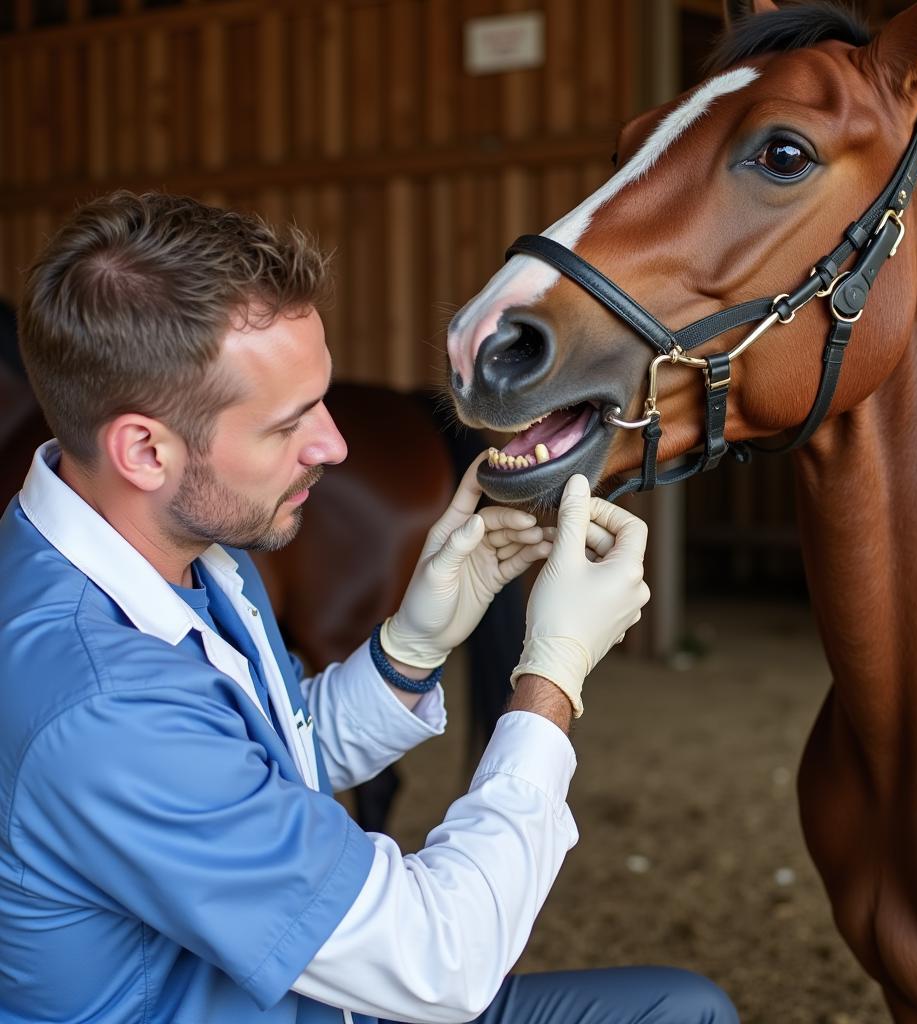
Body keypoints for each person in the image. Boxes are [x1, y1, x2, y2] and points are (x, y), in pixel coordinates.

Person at [0, 191, 738, 1024]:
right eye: (287, 426)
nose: (335, 444)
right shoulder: (104, 706)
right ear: (144, 451)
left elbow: (261, 758)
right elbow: (440, 964)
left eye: (321, 399)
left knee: (683, 1007)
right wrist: (550, 676)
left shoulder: (185, 549)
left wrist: (409, 648)